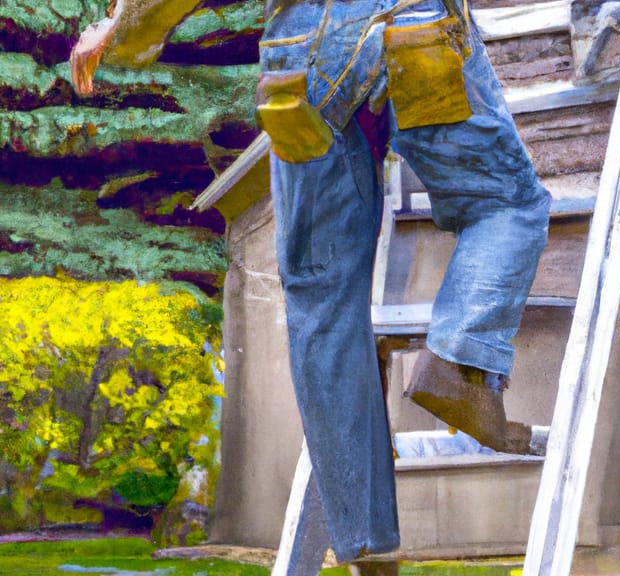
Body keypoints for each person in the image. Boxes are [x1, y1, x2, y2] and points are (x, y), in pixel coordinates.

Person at [71, 0, 550, 569]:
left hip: (297, 63)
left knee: (321, 301)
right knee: (507, 203)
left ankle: (365, 540)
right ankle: (460, 362)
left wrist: (121, 27)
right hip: (412, 29)